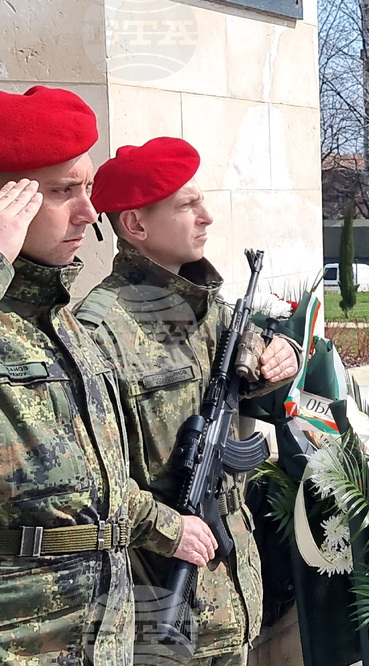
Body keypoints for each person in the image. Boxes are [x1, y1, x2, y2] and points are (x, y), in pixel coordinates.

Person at [0, 88, 215, 663]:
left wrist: (163, 523)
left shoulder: (59, 320)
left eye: (86, 188)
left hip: (104, 633)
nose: (88, 213)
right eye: (62, 191)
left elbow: (93, 475)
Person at [75, 137, 300, 665]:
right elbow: (92, 481)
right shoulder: (101, 329)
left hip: (232, 591)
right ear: (135, 225)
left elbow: (245, 357)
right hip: (160, 598)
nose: (207, 217)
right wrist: (167, 527)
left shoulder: (201, 307)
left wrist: (281, 353)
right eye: (186, 205)